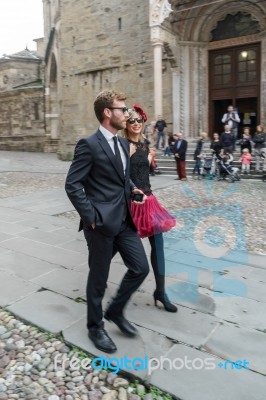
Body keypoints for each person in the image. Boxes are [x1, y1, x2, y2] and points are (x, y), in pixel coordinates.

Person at [65, 90, 150, 354]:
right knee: (99, 278)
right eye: (122, 109)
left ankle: (114, 310)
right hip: (100, 225)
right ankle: (95, 327)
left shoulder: (124, 144)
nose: (127, 114)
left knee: (140, 268)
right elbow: (73, 184)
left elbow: (122, 179)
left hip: (125, 221)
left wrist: (133, 188)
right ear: (107, 113)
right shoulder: (88, 144)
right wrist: (91, 217)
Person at [122, 103, 177, 312]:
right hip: (131, 202)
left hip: (150, 200)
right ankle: (97, 274)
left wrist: (150, 160)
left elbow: (145, 172)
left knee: (159, 247)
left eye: (139, 120)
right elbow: (123, 176)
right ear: (125, 124)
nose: (136, 123)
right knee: (115, 247)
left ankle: (160, 291)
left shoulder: (145, 146)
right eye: (131, 120)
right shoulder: (124, 146)